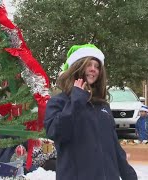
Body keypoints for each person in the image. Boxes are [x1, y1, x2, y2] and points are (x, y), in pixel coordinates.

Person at [44, 44, 138, 180]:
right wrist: (76, 100)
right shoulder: (59, 102)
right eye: (89, 64)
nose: (94, 69)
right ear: (77, 67)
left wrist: (129, 175)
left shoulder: (102, 106)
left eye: (97, 66)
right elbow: (56, 132)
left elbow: (114, 146)